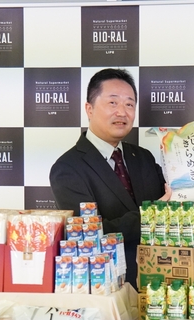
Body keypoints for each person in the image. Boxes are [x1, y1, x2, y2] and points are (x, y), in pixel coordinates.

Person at [50, 68, 171, 290]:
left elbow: (175, 197)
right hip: (107, 288)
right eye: (113, 103)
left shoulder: (143, 157)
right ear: (89, 109)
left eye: (129, 104)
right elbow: (88, 235)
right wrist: (150, 215)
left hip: (160, 283)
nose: (122, 112)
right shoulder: (67, 168)